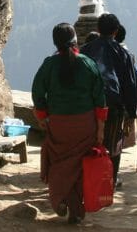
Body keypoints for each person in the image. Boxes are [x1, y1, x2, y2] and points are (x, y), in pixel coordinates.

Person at [32, 23, 107, 224]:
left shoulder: (49, 64)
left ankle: (61, 200)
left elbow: (38, 93)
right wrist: (100, 128)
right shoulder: (88, 63)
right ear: (75, 40)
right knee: (80, 165)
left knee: (60, 164)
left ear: (55, 42)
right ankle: (75, 208)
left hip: (58, 124)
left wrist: (43, 117)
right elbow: (100, 99)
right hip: (86, 124)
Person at [81, 13, 137, 188]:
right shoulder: (123, 54)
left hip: (89, 104)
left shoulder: (86, 50)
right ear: (116, 31)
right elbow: (129, 84)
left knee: (88, 141)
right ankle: (110, 180)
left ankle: (86, 178)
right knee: (114, 143)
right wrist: (131, 113)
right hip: (114, 105)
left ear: (97, 29)